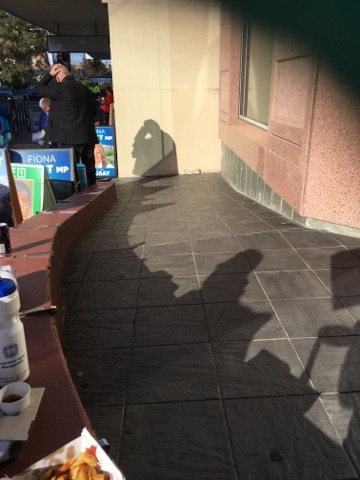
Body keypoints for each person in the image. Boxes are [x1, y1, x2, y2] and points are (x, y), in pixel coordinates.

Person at [36, 63, 99, 186]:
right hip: (87, 136)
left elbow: (39, 88)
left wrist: (49, 75)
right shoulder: (84, 89)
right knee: (90, 169)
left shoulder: (60, 89)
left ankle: (77, 195)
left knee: (72, 170)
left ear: (58, 77)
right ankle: (95, 193)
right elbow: (94, 111)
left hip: (69, 138)